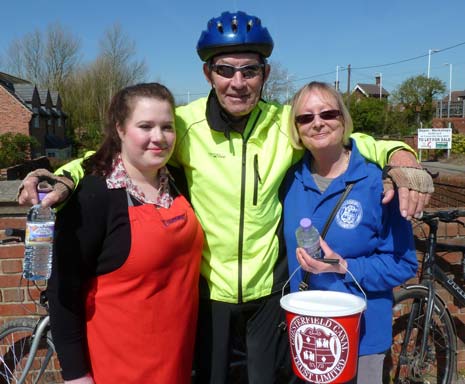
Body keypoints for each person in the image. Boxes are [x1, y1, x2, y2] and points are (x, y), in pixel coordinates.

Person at [18, 11, 433, 384]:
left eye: (250, 70)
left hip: (268, 291)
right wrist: (64, 177)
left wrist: (399, 155)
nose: (238, 82)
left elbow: (340, 137)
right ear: (207, 73)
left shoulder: (281, 124)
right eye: (226, 70)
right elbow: (114, 153)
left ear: (265, 74)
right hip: (208, 291)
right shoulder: (182, 124)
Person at [47, 83, 204, 384]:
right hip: (118, 368)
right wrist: (76, 375)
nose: (158, 137)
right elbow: (62, 291)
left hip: (176, 361)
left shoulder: (180, 182)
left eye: (167, 127)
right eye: (145, 126)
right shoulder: (94, 195)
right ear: (120, 129)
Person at [281, 81, 418, 383]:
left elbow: (405, 263)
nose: (318, 123)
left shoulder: (377, 183)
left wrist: (344, 266)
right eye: (305, 117)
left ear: (343, 119)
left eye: (327, 113)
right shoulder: (288, 180)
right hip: (308, 335)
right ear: (297, 129)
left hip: (361, 336)